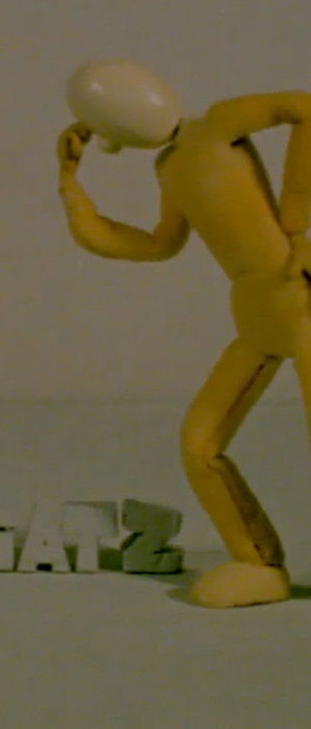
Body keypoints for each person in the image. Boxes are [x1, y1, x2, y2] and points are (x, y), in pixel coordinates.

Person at [57, 59, 311, 606]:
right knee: (200, 443)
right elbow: (160, 243)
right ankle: (257, 561)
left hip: (300, 300)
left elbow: (302, 107)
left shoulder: (219, 123)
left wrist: (296, 220)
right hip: (256, 319)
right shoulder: (169, 168)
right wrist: (73, 191)